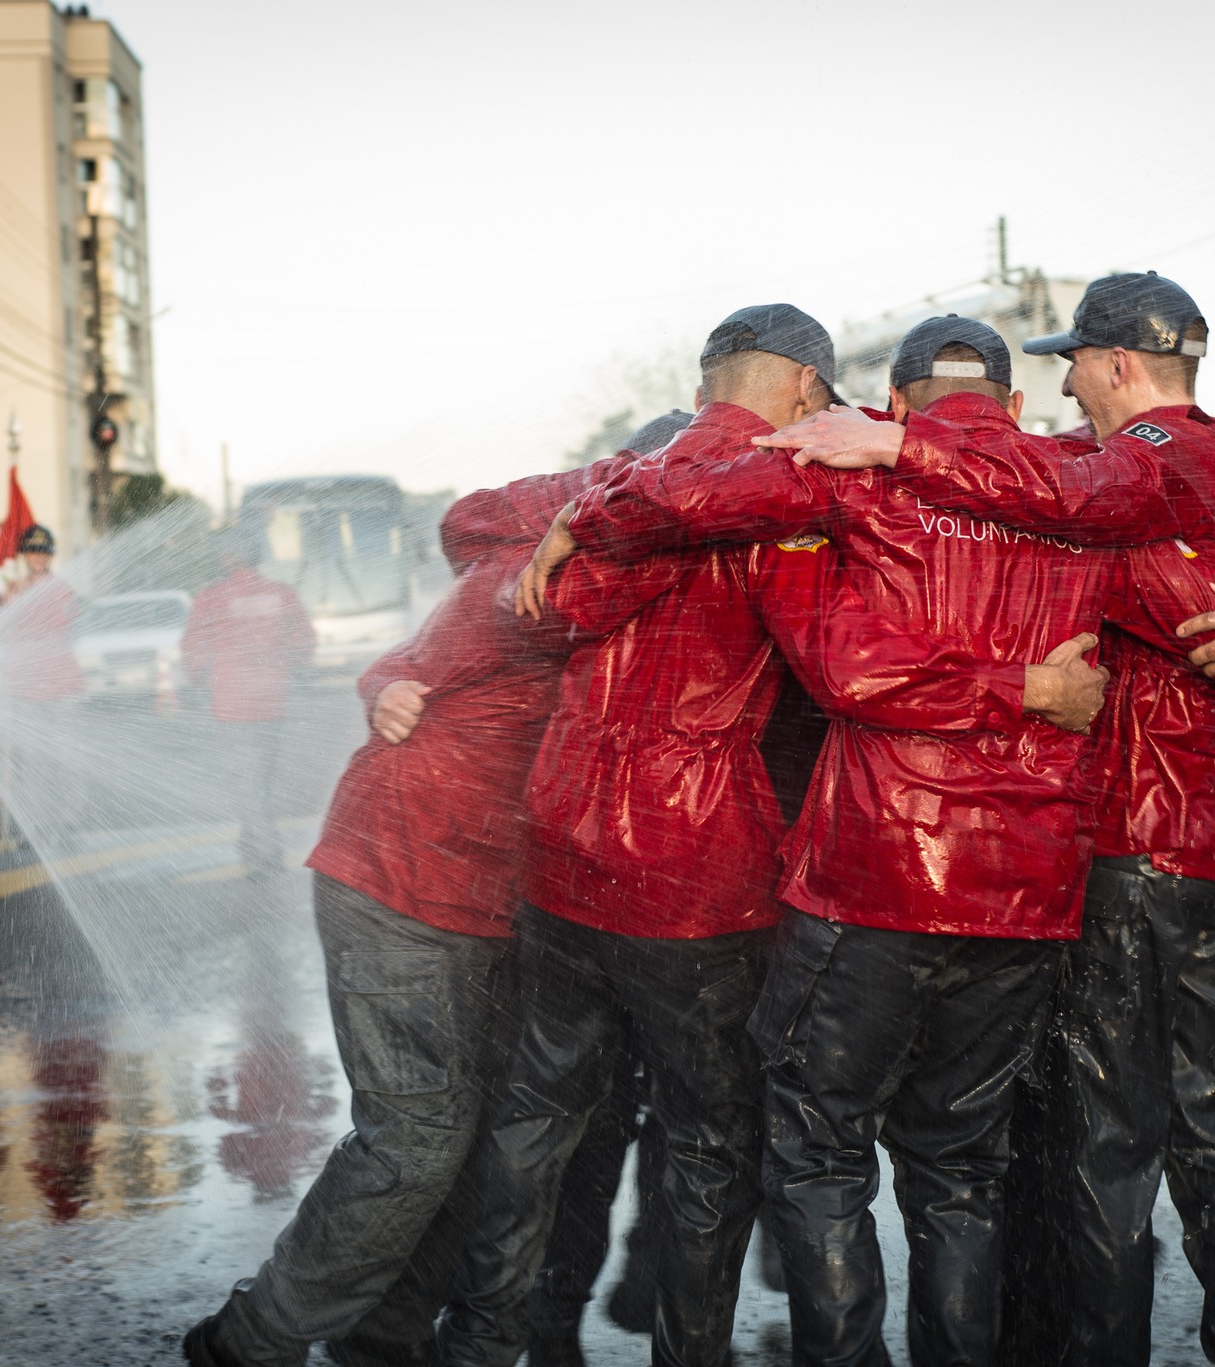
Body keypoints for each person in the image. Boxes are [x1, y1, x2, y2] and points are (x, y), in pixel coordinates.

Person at [556, 314, 1215, 1364]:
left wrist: (585, 511)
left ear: (894, 405)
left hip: (870, 879)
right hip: (1024, 897)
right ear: (1010, 408)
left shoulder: (848, 478)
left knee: (821, 1158)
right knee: (959, 1169)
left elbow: (705, 514)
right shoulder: (1083, 493)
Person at [759, 273, 1215, 1367]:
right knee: (1196, 1141)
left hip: (1123, 854)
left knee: (1100, 1156)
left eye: (1077, 362)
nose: (1067, 383)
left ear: (1117, 365)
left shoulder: (1127, 485)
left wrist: (894, 452)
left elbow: (1065, 519)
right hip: (1202, 855)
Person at [180, 413, 692, 1367]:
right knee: (417, 1133)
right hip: (399, 879)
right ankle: (252, 1337)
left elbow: (437, 636)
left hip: (490, 898)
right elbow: (488, 581)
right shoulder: (555, 574)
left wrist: (390, 674)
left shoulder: (577, 562)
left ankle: (384, 1332)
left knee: (480, 1135)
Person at [429, 305, 842, 1367]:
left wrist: (587, 501)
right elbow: (838, 664)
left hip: (565, 841)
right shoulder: (780, 490)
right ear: (801, 387)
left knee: (537, 1110)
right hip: (692, 866)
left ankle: (483, 1340)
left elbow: (470, 524)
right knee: (707, 1136)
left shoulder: (623, 487)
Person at [178, 539, 316, 871]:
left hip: (231, 704)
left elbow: (193, 649)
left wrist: (202, 679)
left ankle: (265, 848)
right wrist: (283, 660)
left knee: (246, 778)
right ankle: (252, 839)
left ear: (227, 558)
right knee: (262, 776)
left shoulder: (210, 598)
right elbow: (304, 644)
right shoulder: (281, 593)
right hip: (271, 702)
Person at [0, 524, 86, 827]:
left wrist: (26, 601)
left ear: (51, 556)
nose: (39, 558)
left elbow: (62, 627)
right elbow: (0, 634)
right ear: (24, 555)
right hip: (26, 685)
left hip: (61, 684)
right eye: (33, 551)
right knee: (33, 759)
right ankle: (37, 821)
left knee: (66, 755)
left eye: (44, 552)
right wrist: (12, 601)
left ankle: (70, 819)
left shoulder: (62, 589)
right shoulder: (13, 589)